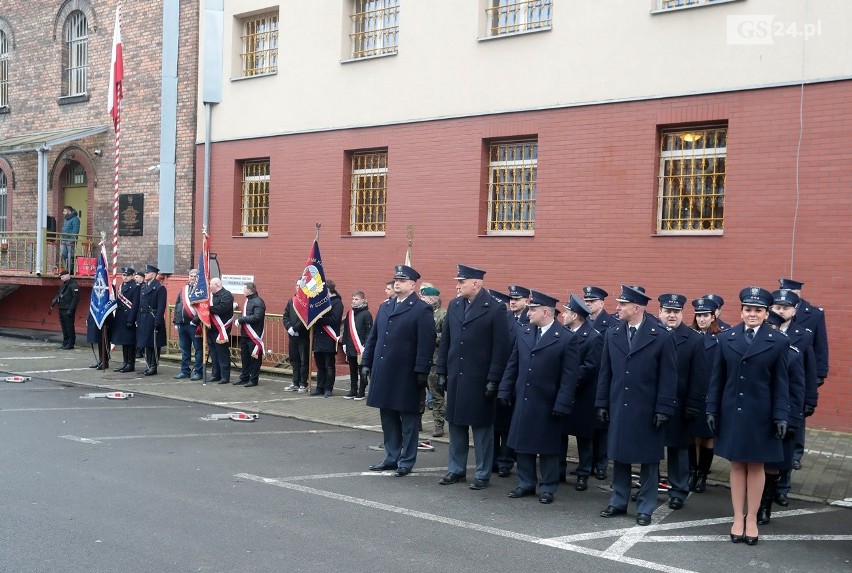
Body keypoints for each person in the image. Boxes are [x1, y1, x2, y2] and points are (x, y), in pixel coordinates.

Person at [707, 287, 789, 546]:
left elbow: (781, 383)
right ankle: (737, 518)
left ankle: (751, 518)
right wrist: (711, 408)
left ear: (766, 313)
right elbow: (717, 379)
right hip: (732, 410)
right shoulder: (726, 338)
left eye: (758, 310)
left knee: (756, 465)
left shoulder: (778, 342)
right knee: (736, 464)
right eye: (748, 309)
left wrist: (780, 415)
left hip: (761, 414)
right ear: (741, 311)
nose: (752, 314)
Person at [595, 285, 678, 526]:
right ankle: (618, 501)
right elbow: (606, 372)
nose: (617, 308)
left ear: (637, 307)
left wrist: (664, 408)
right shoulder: (612, 333)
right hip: (620, 405)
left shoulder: (661, 335)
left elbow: (668, 377)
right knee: (620, 457)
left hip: (647, 408)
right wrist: (601, 402)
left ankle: (645, 506)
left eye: (622, 304)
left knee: (648, 461)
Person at [499, 290, 580, 504]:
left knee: (548, 448)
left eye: (532, 309)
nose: (528, 313)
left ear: (545, 311)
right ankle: (525, 483)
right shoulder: (524, 333)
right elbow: (513, 364)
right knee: (522, 443)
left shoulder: (565, 338)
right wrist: (505, 389)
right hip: (524, 398)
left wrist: (563, 402)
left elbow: (569, 376)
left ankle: (548, 487)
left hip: (548, 402)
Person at [437, 264, 509, 491]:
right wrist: (441, 372)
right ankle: (456, 469)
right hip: (456, 377)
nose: (457, 286)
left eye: (462, 282)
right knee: (456, 425)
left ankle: (482, 473)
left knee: (481, 429)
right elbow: (446, 342)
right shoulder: (454, 305)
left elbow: (501, 348)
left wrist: (493, 379)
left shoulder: (495, 309)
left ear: (476, 283)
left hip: (479, 379)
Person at [361, 264, 436, 477]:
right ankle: (391, 457)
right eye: (396, 280)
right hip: (384, 371)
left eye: (402, 280)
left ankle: (406, 460)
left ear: (412, 285)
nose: (397, 283)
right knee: (388, 417)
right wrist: (366, 363)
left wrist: (422, 370)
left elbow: (426, 342)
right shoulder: (385, 307)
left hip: (406, 373)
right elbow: (374, 338)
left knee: (409, 420)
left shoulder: (422, 309)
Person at [769, 288, 819, 508]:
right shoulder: (764, 330)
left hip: (791, 398)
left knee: (788, 446)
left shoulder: (803, 334)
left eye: (785, 308)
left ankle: (782, 487)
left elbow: (809, 370)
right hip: (768, 398)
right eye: (777, 307)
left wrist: (810, 399)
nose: (781, 311)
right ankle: (766, 486)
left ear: (794, 310)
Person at [758, 308, 808, 526]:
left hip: (780, 419)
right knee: (753, 464)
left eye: (773, 327)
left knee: (772, 465)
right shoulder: (750, 352)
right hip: (756, 418)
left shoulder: (793, 355)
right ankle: (751, 506)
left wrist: (792, 421)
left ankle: (764, 507)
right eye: (765, 327)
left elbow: (797, 393)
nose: (769, 331)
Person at [657, 293, 706, 510]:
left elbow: (698, 377)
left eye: (676, 312)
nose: (671, 316)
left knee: (678, 450)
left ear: (682, 314)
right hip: (654, 402)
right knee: (651, 448)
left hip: (680, 404)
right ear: (660, 312)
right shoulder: (651, 334)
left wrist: (693, 405)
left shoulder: (694, 339)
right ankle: (649, 485)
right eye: (667, 311)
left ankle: (678, 490)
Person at [779, 277, 829, 471]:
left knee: (797, 416)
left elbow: (820, 344)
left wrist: (821, 372)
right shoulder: (775, 312)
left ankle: (795, 455)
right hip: (782, 373)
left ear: (799, 294)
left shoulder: (814, 314)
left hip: (803, 372)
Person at [559, 294, 603, 491]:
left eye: (566, 312)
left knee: (584, 438)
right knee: (559, 434)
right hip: (565, 393)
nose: (563, 316)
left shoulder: (594, 337)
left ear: (575, 315)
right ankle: (558, 470)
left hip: (583, 395)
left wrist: (567, 380)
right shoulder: (563, 333)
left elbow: (590, 366)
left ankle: (583, 473)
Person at [493, 284, 530, 478]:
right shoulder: (504, 319)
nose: (513, 302)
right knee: (494, 422)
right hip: (499, 377)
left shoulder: (529, 321)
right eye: (511, 299)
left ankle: (506, 460)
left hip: (516, 379)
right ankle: (493, 459)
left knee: (508, 424)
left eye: (517, 299)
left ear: (527, 301)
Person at [687, 297, 722, 492]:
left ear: (712, 317)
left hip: (709, 394)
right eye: (698, 315)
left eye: (705, 316)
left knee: (708, 436)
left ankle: (702, 475)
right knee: (691, 435)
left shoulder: (720, 339)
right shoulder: (689, 336)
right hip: (692, 394)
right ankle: (691, 472)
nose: (701, 319)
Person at [583, 285, 614, 480]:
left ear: (602, 303)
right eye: (586, 301)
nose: (588, 304)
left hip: (602, 379)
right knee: (586, 424)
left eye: (592, 301)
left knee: (601, 426)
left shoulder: (611, 323)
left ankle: (601, 463)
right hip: (586, 382)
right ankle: (586, 463)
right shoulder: (582, 321)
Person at [416, 284, 446, 435]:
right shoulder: (420, 312)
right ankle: (417, 421)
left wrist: (429, 336)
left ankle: (439, 424)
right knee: (418, 392)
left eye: (424, 297)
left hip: (435, 360)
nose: (421, 299)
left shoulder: (442, 314)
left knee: (436, 394)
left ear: (433, 298)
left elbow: (447, 336)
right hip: (421, 359)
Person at [310, 279, 343, 397]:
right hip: (319, 337)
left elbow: (334, 319)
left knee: (329, 365)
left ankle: (328, 388)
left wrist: (318, 320)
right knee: (319, 365)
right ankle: (320, 387)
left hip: (329, 338)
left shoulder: (337, 303)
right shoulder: (321, 302)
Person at [342, 290, 373, 399]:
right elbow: (346, 330)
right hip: (350, 347)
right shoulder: (350, 313)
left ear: (363, 300)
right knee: (352, 370)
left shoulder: (366, 314)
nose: (354, 301)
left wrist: (365, 345)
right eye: (353, 299)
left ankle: (361, 391)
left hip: (361, 348)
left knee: (362, 371)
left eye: (356, 299)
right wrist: (344, 343)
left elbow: (369, 331)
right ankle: (353, 390)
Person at [172, 269, 203, 381]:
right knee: (185, 350)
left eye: (195, 276)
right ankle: (185, 371)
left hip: (194, 325)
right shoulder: (183, 290)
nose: (192, 278)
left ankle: (198, 372)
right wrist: (175, 321)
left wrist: (195, 320)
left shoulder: (201, 290)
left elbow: (203, 308)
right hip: (182, 324)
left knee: (198, 350)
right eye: (191, 276)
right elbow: (178, 305)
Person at [137, 264, 167, 376]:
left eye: (147, 272)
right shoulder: (144, 287)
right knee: (145, 343)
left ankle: (153, 366)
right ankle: (148, 365)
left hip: (153, 317)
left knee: (153, 343)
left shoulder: (159, 288)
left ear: (154, 274)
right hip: (143, 317)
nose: (145, 274)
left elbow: (161, 306)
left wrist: (157, 321)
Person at [234, 281, 266, 387]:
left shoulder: (258, 302)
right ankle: (244, 377)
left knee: (255, 358)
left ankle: (254, 379)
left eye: (244, 289)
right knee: (245, 358)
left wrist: (242, 319)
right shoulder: (248, 300)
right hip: (245, 334)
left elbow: (257, 317)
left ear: (249, 290)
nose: (243, 291)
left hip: (254, 335)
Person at [112, 267, 140, 372]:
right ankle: (125, 363)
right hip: (120, 317)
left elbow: (135, 305)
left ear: (133, 275)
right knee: (124, 342)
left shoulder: (135, 287)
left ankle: (130, 364)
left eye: (127, 275)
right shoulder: (121, 286)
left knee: (130, 342)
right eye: (123, 275)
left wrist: (131, 319)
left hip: (129, 317)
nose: (125, 277)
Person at [207, 278, 235, 384]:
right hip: (211, 328)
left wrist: (208, 308)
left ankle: (225, 376)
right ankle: (215, 374)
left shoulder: (226, 295)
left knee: (222, 353)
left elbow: (223, 308)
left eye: (211, 284)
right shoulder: (211, 296)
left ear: (217, 285)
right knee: (213, 353)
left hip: (221, 329)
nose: (209, 286)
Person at [283, 282, 309, 393]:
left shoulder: (307, 302)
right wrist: (289, 327)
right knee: (294, 360)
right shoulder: (291, 301)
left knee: (304, 361)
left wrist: (296, 328)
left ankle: (303, 383)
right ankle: (295, 382)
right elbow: (285, 316)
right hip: (292, 336)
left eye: (301, 285)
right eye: (297, 285)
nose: (298, 287)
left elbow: (306, 318)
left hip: (303, 336)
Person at [53, 269, 80, 349]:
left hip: (68, 309)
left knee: (69, 327)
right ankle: (65, 341)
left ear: (68, 275)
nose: (61, 278)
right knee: (64, 327)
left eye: (63, 276)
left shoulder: (73, 285)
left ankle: (71, 343)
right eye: (61, 277)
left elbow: (75, 299)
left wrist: (71, 310)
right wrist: (54, 301)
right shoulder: (63, 285)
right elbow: (59, 294)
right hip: (62, 308)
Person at [59, 205, 80, 274]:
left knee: (70, 255)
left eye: (65, 211)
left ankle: (70, 270)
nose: (63, 212)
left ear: (69, 211)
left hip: (70, 241)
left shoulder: (75, 219)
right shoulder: (66, 219)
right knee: (63, 254)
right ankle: (67, 268)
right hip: (64, 239)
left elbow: (75, 231)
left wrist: (72, 240)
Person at [134, 270, 146, 359]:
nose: (135, 278)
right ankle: (138, 350)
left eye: (137, 277)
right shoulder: (136, 287)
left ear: (142, 279)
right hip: (138, 312)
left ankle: (140, 350)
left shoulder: (143, 288)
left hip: (142, 313)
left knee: (142, 333)